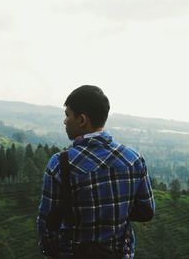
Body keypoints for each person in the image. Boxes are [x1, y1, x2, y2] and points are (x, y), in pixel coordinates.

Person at [37, 85, 155, 258]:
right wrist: (116, 210)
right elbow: (146, 211)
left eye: (68, 115)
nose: (64, 121)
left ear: (82, 120)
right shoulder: (133, 159)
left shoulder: (60, 164)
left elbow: (47, 224)